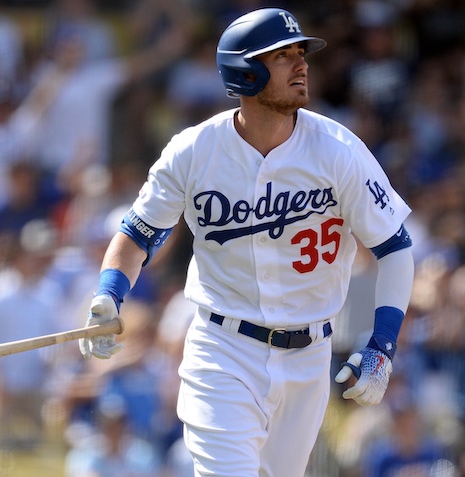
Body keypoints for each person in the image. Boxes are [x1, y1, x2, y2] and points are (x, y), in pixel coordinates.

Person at [78, 8, 415, 477]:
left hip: (310, 355)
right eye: (283, 55)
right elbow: (137, 234)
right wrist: (108, 296)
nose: (301, 65)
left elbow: (395, 249)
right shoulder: (194, 150)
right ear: (246, 70)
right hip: (223, 349)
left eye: (301, 54)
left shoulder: (339, 150)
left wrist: (382, 346)